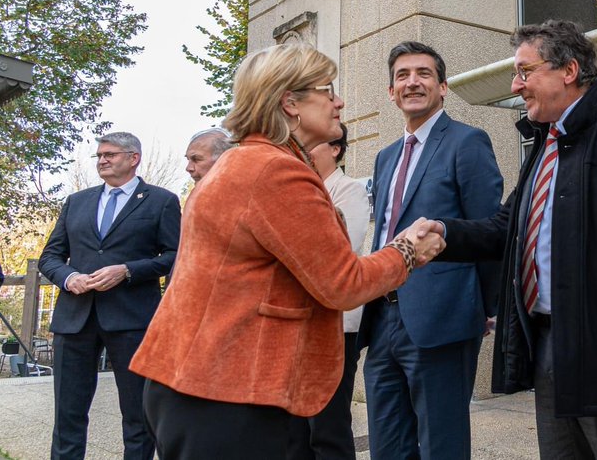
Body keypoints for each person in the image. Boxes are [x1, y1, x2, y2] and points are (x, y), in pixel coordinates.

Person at [129, 43, 444, 459]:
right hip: (228, 391)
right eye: (327, 91)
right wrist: (406, 250)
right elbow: (342, 283)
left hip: (201, 382)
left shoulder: (243, 161)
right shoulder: (276, 171)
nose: (339, 102)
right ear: (289, 102)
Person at [425, 20, 597, 458]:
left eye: (525, 72)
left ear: (568, 70)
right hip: (548, 348)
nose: (516, 85)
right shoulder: (544, 148)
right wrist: (443, 233)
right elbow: (503, 229)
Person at [360, 42, 503, 460]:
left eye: (423, 74)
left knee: (442, 446)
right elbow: (383, 233)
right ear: (391, 92)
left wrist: (488, 308)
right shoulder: (386, 157)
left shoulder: (467, 142)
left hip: (441, 317)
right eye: (402, 76)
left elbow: (489, 231)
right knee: (387, 446)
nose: (412, 82)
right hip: (382, 317)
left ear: (442, 87)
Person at [38, 132, 181, 460]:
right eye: (99, 155)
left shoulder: (161, 201)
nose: (102, 160)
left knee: (137, 415)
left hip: (132, 320)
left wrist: (127, 270)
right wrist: (68, 277)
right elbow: (51, 257)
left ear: (133, 159)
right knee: (67, 416)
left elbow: (175, 255)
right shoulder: (77, 201)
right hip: (75, 319)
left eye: (110, 154)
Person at [299, 122, 372, 459]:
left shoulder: (349, 191)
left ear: (336, 150)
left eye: (312, 144)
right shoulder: (296, 189)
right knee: (296, 426)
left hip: (336, 325)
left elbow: (341, 251)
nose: (303, 150)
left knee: (328, 424)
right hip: (296, 323)